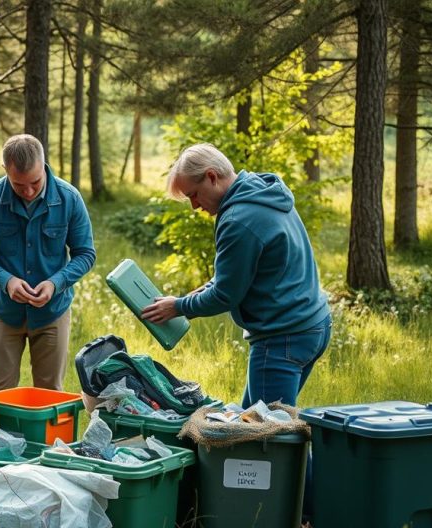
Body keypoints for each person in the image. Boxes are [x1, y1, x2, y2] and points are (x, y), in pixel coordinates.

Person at [142, 143, 332, 408]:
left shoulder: (238, 219)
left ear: (211, 176)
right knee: (250, 421)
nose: (194, 206)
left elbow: (225, 295)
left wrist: (178, 307)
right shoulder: (262, 190)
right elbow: (240, 272)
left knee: (268, 435)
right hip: (313, 323)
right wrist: (197, 293)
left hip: (282, 335)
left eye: (194, 195)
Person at [0, 134, 96, 391]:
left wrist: (55, 283)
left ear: (44, 164)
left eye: (35, 183)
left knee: (49, 392)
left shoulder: (70, 198)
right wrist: (7, 281)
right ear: (5, 171)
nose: (27, 191)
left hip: (52, 312)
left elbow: (85, 254)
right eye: (18, 185)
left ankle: (42, 435)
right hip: (4, 311)